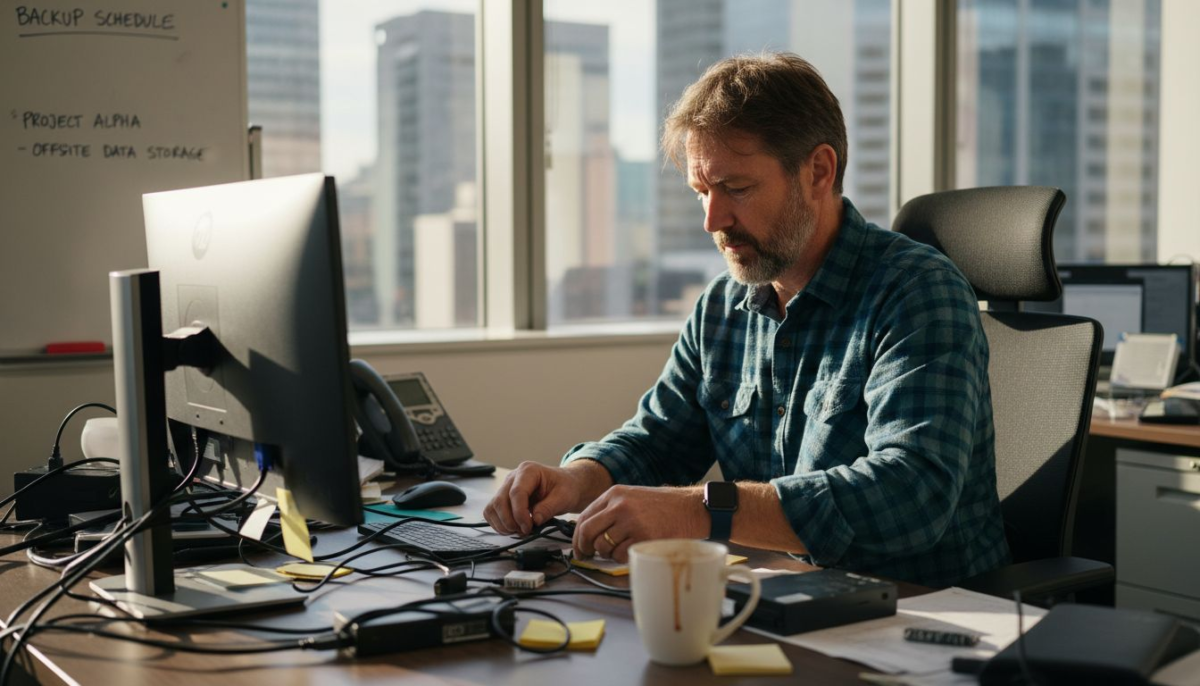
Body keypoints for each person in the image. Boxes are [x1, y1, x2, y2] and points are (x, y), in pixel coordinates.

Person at [483, 52, 1010, 587]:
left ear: (818, 172)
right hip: (781, 597)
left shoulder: (917, 291)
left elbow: (910, 494)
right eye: (701, 193)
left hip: (924, 615)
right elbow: (657, 440)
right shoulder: (723, 306)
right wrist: (578, 479)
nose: (714, 220)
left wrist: (698, 511)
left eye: (736, 188)